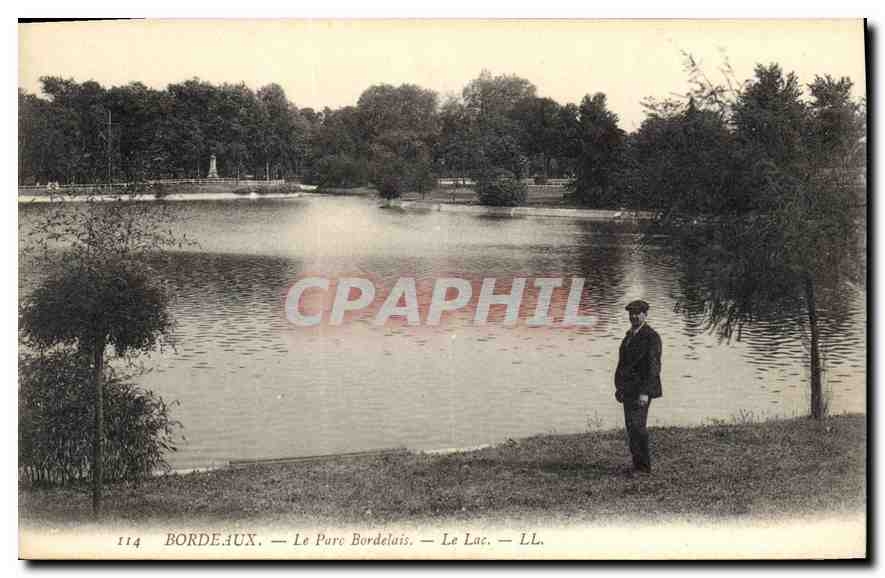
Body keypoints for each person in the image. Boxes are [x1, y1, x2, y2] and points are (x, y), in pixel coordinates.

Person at [614, 299, 662, 474]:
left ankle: (643, 467)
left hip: (641, 390)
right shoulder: (630, 335)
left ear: (645, 314)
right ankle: (637, 464)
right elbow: (623, 364)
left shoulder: (651, 337)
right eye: (631, 314)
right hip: (628, 389)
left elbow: (653, 367)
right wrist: (619, 388)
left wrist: (645, 393)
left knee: (638, 427)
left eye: (637, 313)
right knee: (631, 427)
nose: (633, 316)